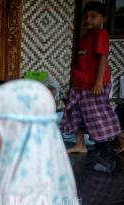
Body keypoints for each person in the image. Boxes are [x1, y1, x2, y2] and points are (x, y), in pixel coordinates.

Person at [60, 1, 121, 155]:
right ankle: (80, 144)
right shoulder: (85, 38)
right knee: (75, 113)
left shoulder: (101, 34)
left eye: (93, 16)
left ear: (103, 19)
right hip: (79, 85)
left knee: (98, 116)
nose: (88, 20)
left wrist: (99, 82)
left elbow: (103, 58)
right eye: (86, 16)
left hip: (93, 86)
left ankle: (119, 137)